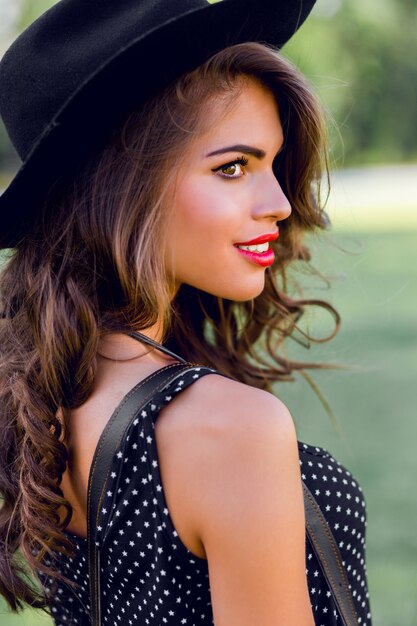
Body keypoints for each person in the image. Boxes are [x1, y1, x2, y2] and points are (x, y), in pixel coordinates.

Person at [0, 1, 372, 625]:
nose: (280, 203)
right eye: (233, 167)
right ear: (122, 186)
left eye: (273, 165)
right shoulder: (232, 429)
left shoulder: (42, 393)